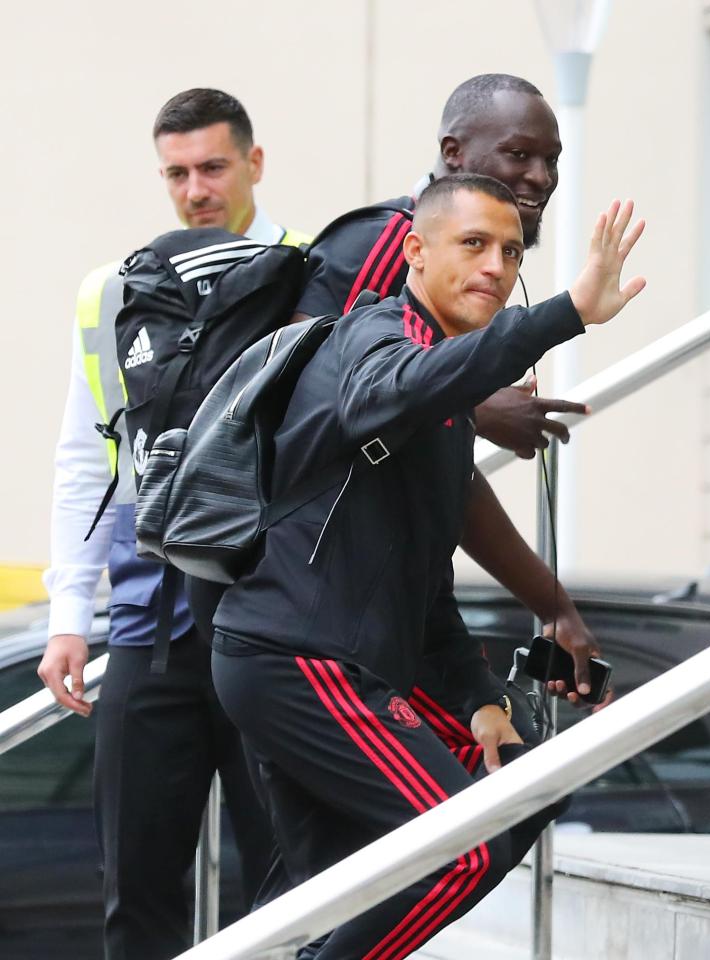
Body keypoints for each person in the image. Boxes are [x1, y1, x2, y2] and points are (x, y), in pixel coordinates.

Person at [212, 174, 646, 959]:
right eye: (473, 244)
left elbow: (423, 580)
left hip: (347, 666)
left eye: (511, 252)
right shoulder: (371, 341)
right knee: (462, 846)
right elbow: (403, 384)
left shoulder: (440, 403)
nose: (495, 266)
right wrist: (566, 314)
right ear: (413, 250)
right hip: (296, 661)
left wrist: (479, 699)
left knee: (522, 787)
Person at [37, 88, 309, 960]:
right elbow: (90, 462)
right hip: (152, 623)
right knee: (136, 886)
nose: (197, 189)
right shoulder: (115, 291)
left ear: (254, 164)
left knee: (292, 884)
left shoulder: (312, 275)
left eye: (214, 168)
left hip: (276, 623)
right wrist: (69, 617)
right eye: (178, 173)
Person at [292, 73, 605, 734]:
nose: (542, 176)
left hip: (378, 605)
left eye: (551, 161)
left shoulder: (461, 268)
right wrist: (549, 602)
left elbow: (425, 456)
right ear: (454, 154)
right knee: (497, 785)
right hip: (310, 619)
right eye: (520, 154)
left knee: (508, 774)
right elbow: (373, 424)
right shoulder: (392, 248)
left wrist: (468, 409)